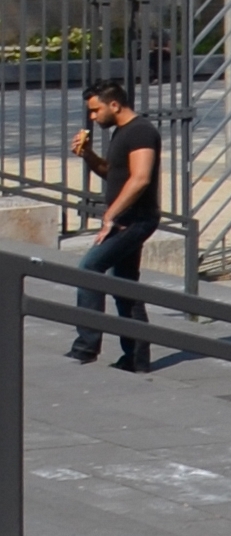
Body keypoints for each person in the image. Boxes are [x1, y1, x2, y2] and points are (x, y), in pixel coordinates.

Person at [68, 80, 164, 373]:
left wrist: (111, 215)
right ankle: (136, 357)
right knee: (124, 286)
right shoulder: (122, 133)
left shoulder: (141, 131)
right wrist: (88, 155)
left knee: (89, 269)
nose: (93, 117)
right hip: (126, 219)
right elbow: (113, 174)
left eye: (96, 111)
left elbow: (141, 178)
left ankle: (85, 346)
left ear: (114, 104)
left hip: (136, 219)